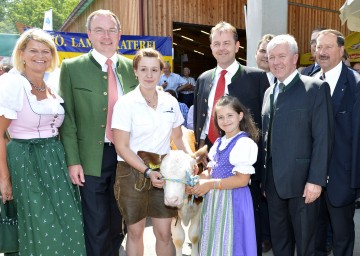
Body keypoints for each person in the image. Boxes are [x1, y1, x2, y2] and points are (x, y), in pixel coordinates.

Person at [0, 28, 86, 255]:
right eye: (33, 50)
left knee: (68, 223)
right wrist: (4, 179)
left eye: (46, 51)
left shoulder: (51, 86)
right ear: (22, 54)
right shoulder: (13, 84)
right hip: (26, 161)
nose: (41, 56)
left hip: (54, 161)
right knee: (40, 225)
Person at [59, 9, 137, 256]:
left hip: (127, 156)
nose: (106, 36)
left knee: (119, 221)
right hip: (91, 157)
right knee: (96, 223)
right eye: (99, 30)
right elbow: (67, 118)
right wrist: (73, 161)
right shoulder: (72, 68)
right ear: (89, 35)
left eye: (111, 30)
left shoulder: (131, 67)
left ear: (120, 34)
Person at [193, 21, 269, 256]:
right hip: (210, 157)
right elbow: (200, 121)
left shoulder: (256, 78)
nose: (221, 48)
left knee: (245, 225)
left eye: (227, 43)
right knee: (214, 223)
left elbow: (265, 123)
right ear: (211, 47)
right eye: (216, 43)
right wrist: (199, 155)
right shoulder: (204, 78)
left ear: (237, 46)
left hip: (244, 168)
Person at [111, 48, 194, 256]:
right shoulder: (125, 104)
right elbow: (121, 146)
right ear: (135, 72)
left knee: (165, 233)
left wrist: (190, 159)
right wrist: (147, 171)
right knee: (135, 232)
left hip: (164, 171)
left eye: (154, 70)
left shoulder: (170, 102)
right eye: (144, 69)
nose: (149, 75)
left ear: (161, 72)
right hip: (131, 172)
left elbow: (177, 137)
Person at [262, 34, 333, 255]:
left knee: (306, 245)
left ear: (295, 58)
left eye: (282, 56)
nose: (276, 62)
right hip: (273, 185)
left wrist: (316, 181)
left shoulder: (315, 89)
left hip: (304, 185)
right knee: (280, 243)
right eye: (271, 57)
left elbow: (324, 138)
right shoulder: (268, 92)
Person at [190, 95, 257, 255]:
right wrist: (196, 180)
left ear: (240, 116)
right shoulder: (219, 143)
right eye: (221, 117)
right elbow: (212, 171)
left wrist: (210, 184)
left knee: (232, 243)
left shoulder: (244, 143)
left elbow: (242, 180)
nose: (225, 120)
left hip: (234, 201)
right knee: (215, 241)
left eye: (230, 116)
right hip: (215, 201)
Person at [314, 29, 360, 256]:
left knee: (342, 237)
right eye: (318, 47)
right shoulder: (308, 81)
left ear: (341, 50)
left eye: (327, 47)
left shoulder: (356, 85)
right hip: (310, 181)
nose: (321, 52)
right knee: (315, 236)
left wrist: (355, 181)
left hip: (342, 179)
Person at [254, 33, 275, 254]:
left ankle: (272, 236)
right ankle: (263, 236)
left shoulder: (284, 81)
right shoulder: (246, 78)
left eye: (270, 53)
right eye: (263, 51)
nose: (266, 56)